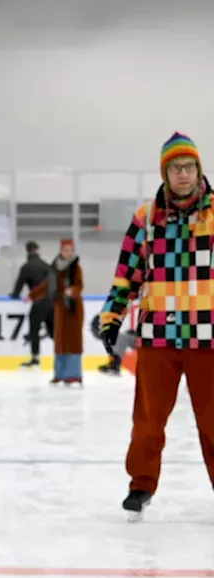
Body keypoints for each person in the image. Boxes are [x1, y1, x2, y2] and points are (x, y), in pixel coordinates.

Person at [99, 132, 214, 519]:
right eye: (174, 168)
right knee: (147, 421)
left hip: (207, 335)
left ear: (199, 169)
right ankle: (140, 485)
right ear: (164, 173)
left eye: (189, 166)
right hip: (158, 336)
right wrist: (112, 318)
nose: (183, 174)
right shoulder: (145, 219)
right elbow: (125, 275)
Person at [10, 240, 52, 368]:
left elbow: (19, 285)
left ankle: (35, 357)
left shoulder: (26, 267)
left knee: (34, 329)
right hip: (51, 302)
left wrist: (15, 295)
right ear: (38, 249)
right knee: (54, 331)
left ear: (27, 251)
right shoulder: (46, 265)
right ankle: (65, 354)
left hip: (39, 303)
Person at [50, 238, 84, 385]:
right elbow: (47, 285)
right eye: (64, 250)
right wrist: (32, 295)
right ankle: (60, 374)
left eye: (69, 250)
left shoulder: (76, 267)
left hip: (73, 309)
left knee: (72, 342)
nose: (67, 252)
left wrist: (73, 291)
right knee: (60, 343)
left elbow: (80, 285)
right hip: (60, 309)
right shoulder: (55, 268)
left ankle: (74, 374)